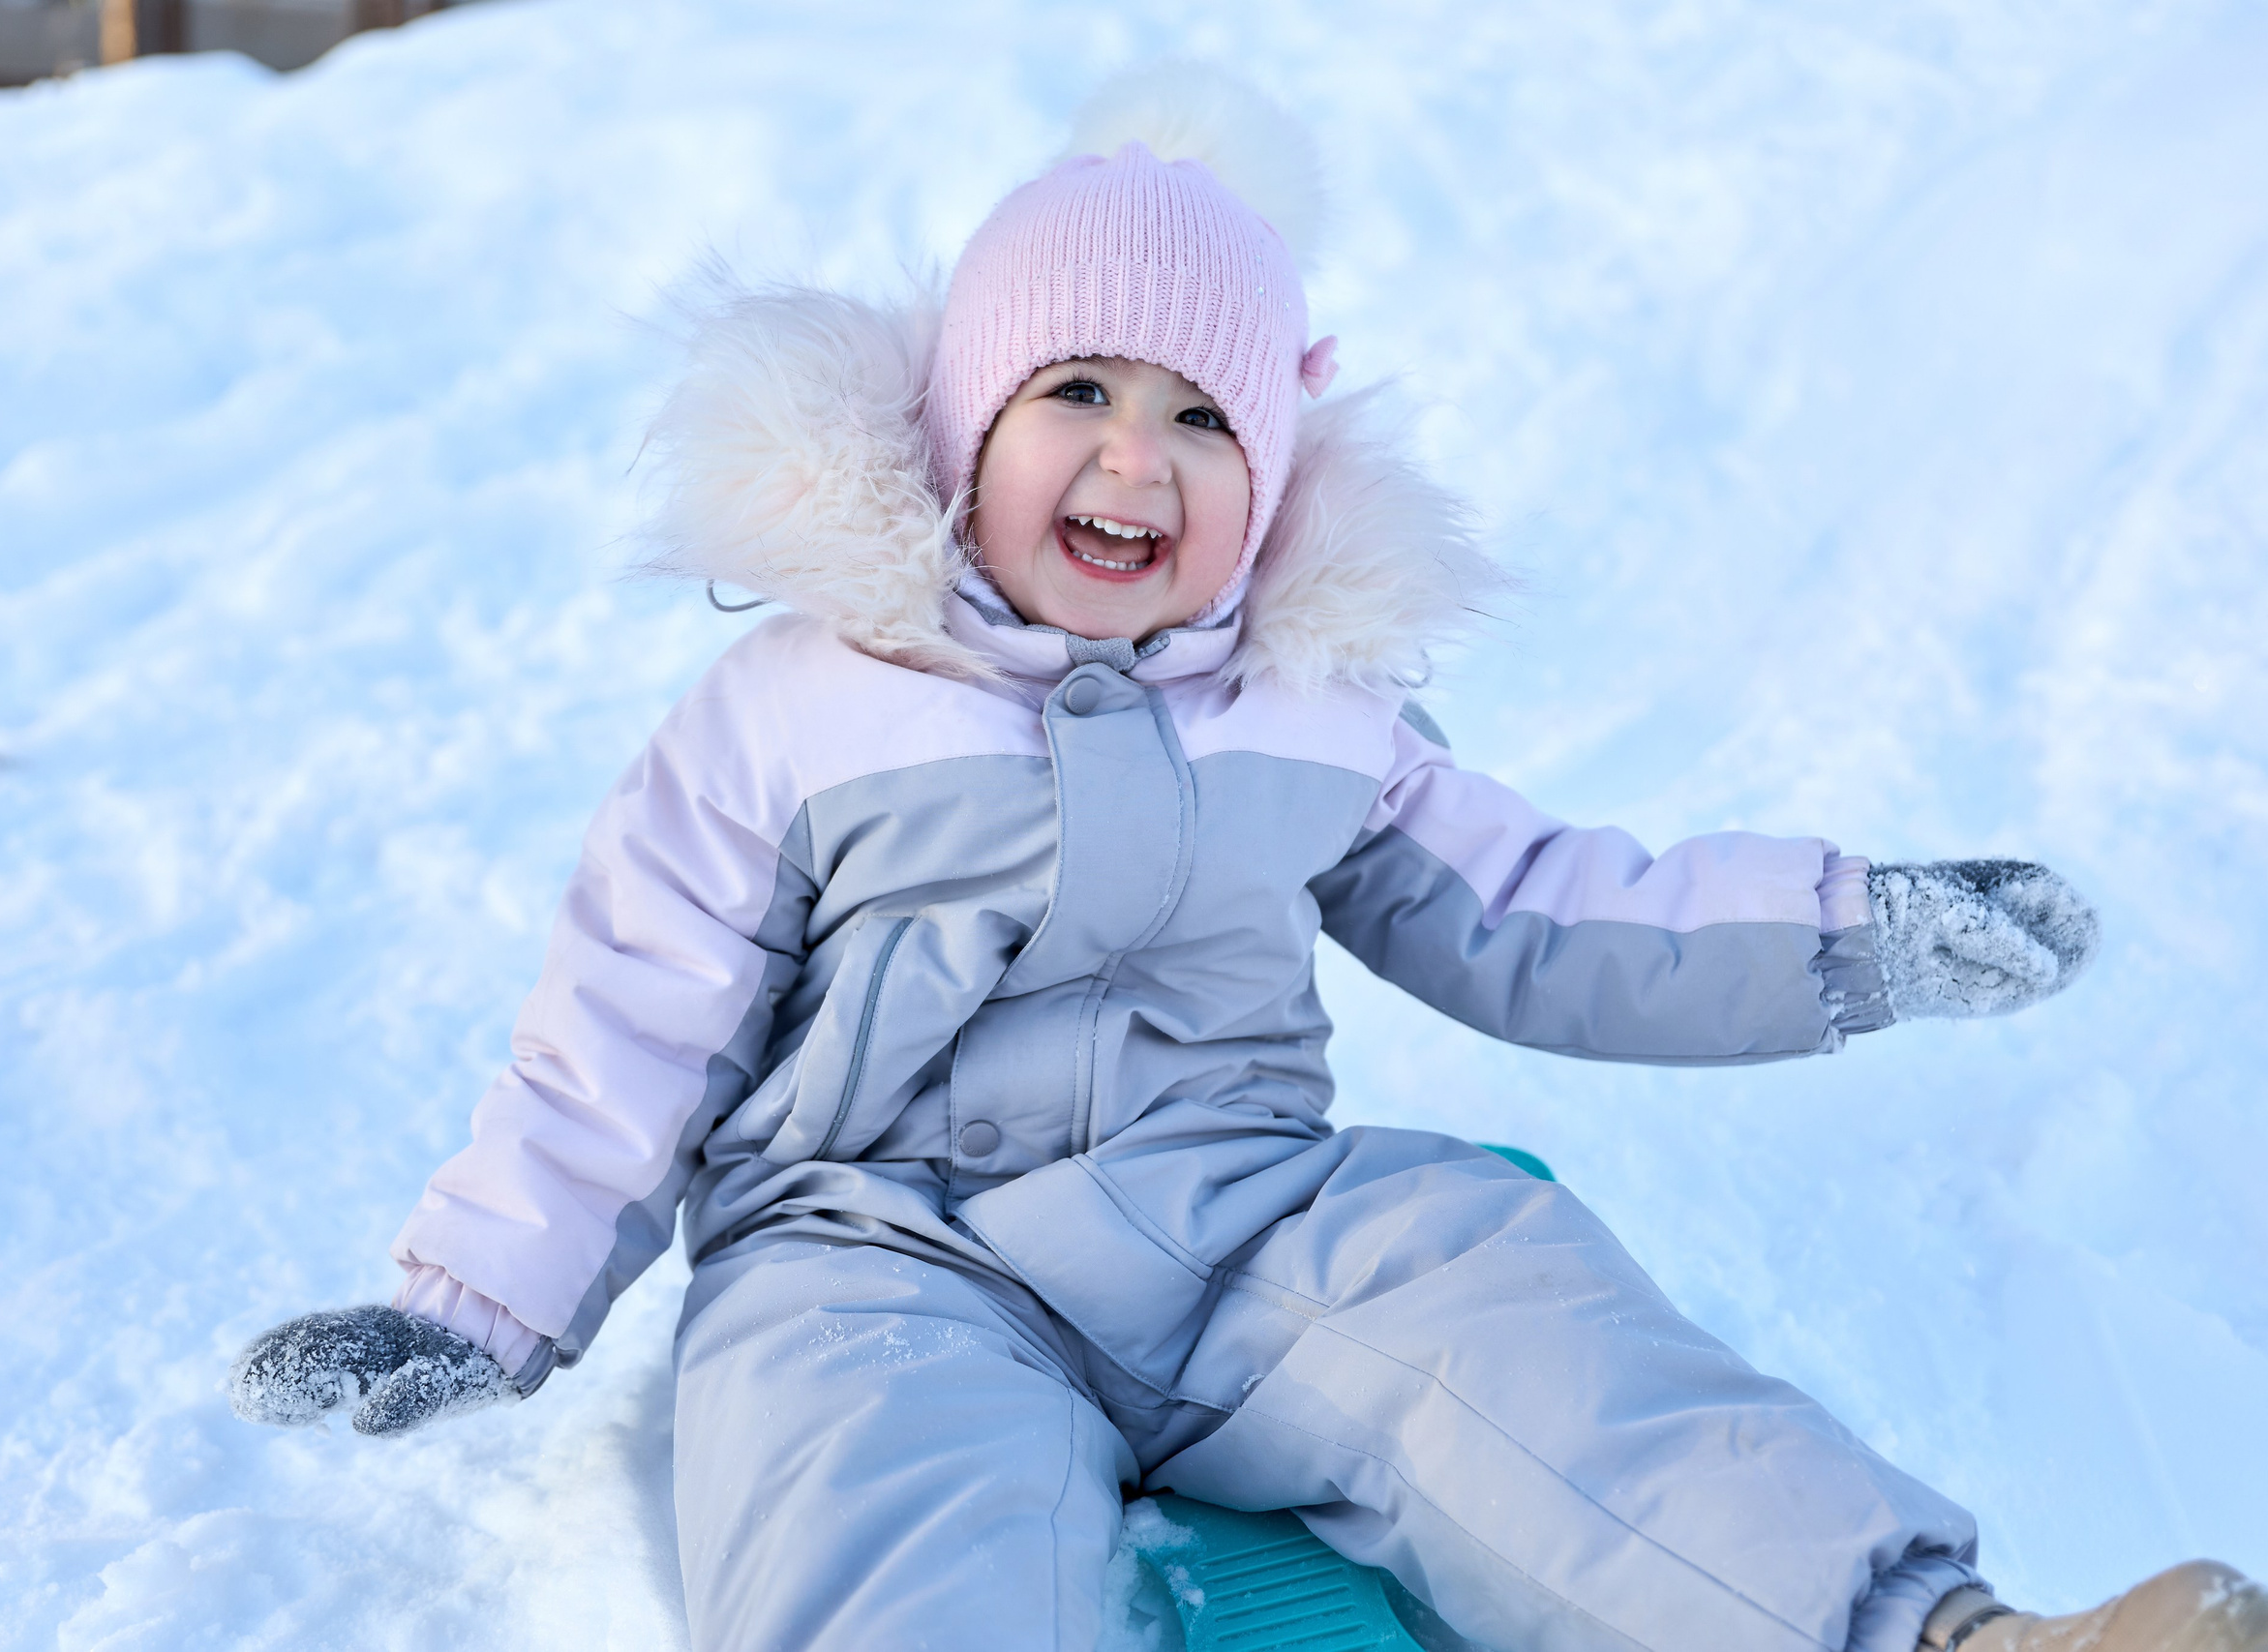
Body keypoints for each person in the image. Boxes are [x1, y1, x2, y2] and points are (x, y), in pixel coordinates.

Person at [227, 66, 2263, 1652]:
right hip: (875, 1246)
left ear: (1267, 476)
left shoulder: (1306, 705)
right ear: (958, 429)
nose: (1134, 456)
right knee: (863, 1483)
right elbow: (627, 1014)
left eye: (1202, 416)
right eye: (1076, 393)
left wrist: (1847, 934)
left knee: (1512, 1310)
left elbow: (1547, 905)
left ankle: (1935, 1628)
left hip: (1239, 1218)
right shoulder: (806, 703)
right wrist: (479, 1305)